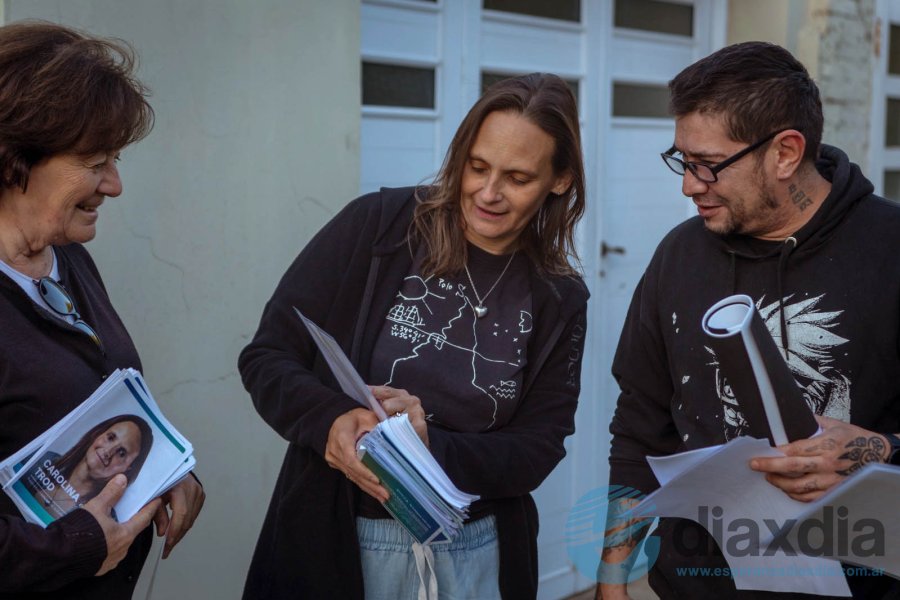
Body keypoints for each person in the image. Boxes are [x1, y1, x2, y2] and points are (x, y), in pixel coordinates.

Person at [239, 72, 588, 599]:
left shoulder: (559, 297)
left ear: (559, 180)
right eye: (477, 167)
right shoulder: (378, 227)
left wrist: (429, 446)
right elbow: (267, 356)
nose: (488, 193)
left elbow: (538, 448)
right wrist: (331, 420)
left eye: (517, 178)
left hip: (475, 552)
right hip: (337, 536)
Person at [597, 41, 900, 599]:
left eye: (708, 165)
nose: (689, 184)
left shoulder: (891, 250)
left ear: (785, 152)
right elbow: (639, 422)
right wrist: (614, 577)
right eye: (682, 161)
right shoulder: (678, 256)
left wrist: (875, 449)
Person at [0, 21, 204, 598]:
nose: (113, 185)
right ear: (15, 160)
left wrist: (157, 472)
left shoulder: (67, 258)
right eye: (95, 162)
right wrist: (77, 547)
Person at [22, 415, 154, 520]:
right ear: (97, 434)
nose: (108, 452)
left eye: (121, 453)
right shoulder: (43, 459)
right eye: (111, 437)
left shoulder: (106, 520)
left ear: (128, 468)